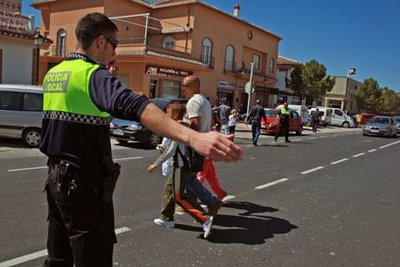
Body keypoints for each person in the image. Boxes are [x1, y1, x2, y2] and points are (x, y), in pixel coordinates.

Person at [40, 13, 242, 267]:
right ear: (101, 41)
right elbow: (137, 106)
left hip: (55, 179)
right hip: (84, 183)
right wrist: (193, 137)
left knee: (58, 256)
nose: (115, 52)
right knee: (93, 256)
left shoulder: (54, 74)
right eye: (115, 44)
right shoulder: (93, 74)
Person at [181, 75, 225, 220]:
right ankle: (194, 206)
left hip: (195, 144)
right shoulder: (204, 101)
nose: (183, 89)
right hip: (202, 143)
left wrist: (184, 135)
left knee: (187, 178)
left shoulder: (193, 102)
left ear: (193, 86)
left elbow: (195, 123)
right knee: (191, 176)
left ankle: (211, 202)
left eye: (185, 86)